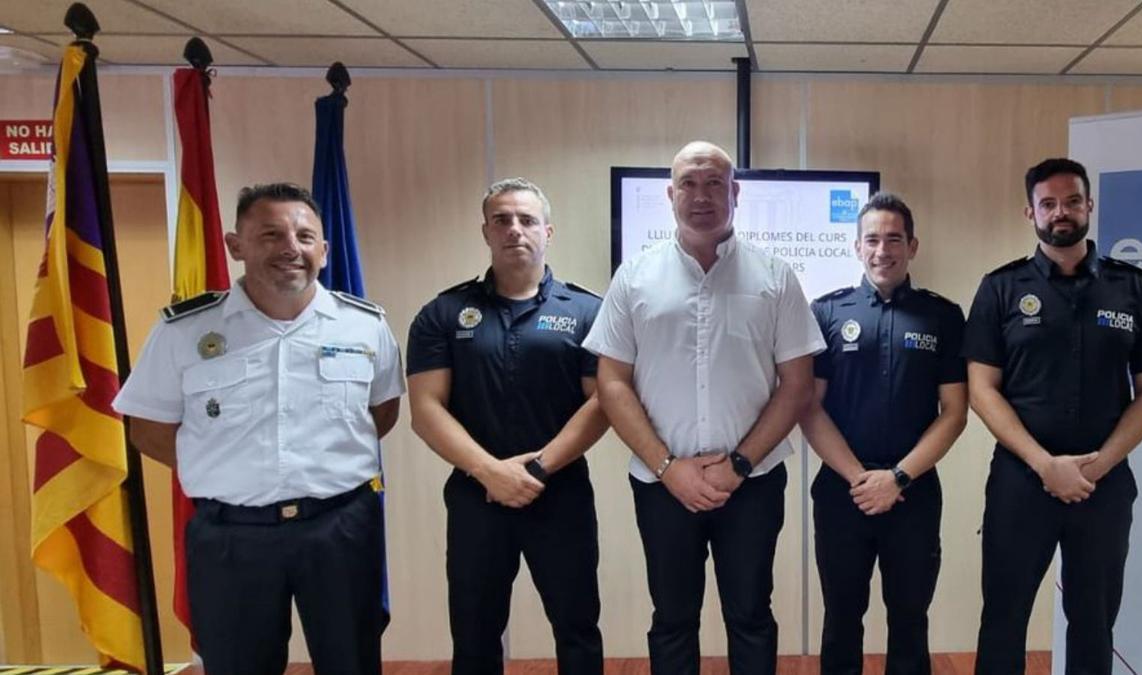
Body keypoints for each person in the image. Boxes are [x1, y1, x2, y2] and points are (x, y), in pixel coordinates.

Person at [113, 183, 403, 675]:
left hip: (340, 530)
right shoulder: (184, 332)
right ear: (236, 245)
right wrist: (223, 467)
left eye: (305, 236)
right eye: (271, 234)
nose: (291, 248)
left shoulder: (365, 326)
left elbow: (381, 413)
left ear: (324, 251)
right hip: (231, 537)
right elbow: (147, 425)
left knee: (352, 662)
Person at [584, 141, 825, 675]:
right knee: (672, 619)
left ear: (735, 193)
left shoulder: (776, 277)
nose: (701, 196)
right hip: (662, 484)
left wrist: (738, 464)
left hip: (754, 482)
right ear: (670, 195)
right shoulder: (634, 277)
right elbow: (613, 383)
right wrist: (669, 468)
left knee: (751, 617)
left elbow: (796, 384)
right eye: (689, 184)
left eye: (714, 183)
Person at [963, 158, 1142, 674]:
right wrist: (1045, 464)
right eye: (1048, 203)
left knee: (1094, 619)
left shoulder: (1134, 288)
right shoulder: (1001, 288)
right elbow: (982, 390)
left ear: (1089, 205)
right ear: (1030, 212)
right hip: (1021, 482)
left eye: (1071, 201)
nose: (1061, 212)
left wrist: (1097, 466)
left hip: (1102, 485)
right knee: (1004, 617)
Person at [406, 177, 608, 675]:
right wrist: (490, 472)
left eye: (526, 220)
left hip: (560, 492)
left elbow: (604, 402)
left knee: (577, 625)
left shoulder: (588, 312)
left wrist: (538, 469)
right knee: (474, 630)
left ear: (548, 231)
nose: (514, 229)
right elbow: (426, 409)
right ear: (486, 231)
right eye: (502, 220)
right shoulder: (443, 313)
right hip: (477, 494)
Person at [798, 192, 967, 675]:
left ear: (913, 246)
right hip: (841, 493)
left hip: (912, 491)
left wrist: (896, 478)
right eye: (872, 239)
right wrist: (859, 478)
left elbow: (954, 412)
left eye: (894, 239)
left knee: (910, 619)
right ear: (856, 247)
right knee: (842, 618)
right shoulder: (827, 313)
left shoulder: (942, 315)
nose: (882, 250)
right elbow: (809, 407)